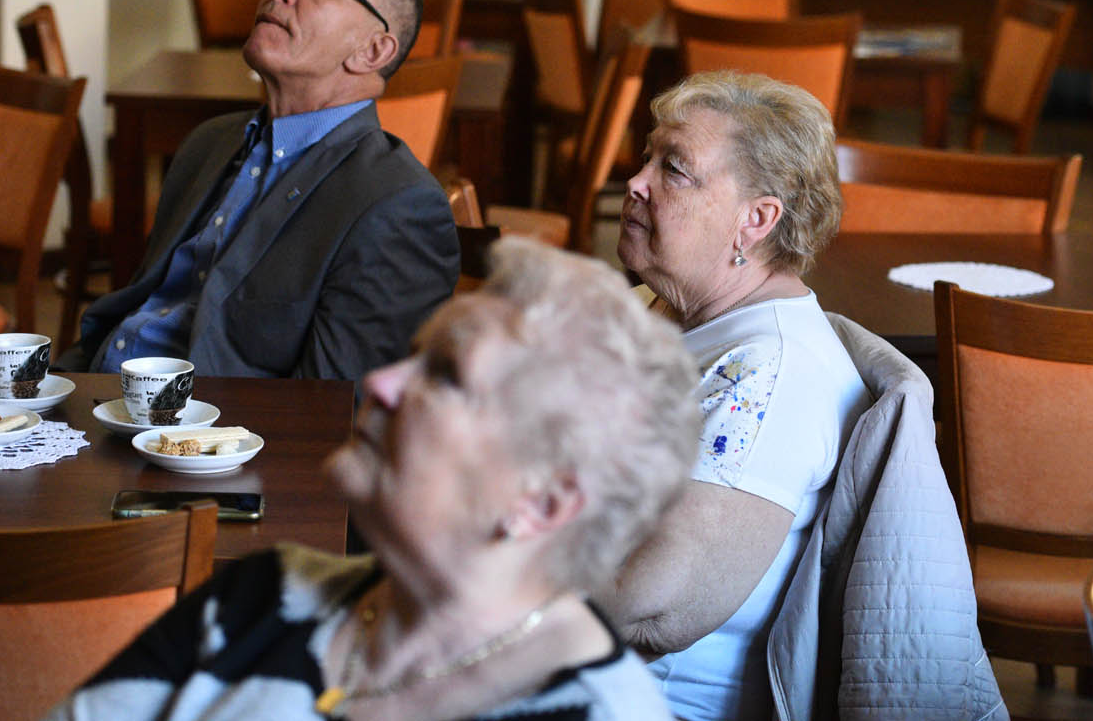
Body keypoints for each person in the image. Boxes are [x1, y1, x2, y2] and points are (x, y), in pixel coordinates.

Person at [44, 238, 700, 721]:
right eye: (411, 357)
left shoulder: (595, 712)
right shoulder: (264, 596)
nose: (382, 383)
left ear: (542, 500)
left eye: (444, 375)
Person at [57, 0, 459, 379]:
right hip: (96, 398)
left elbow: (334, 414)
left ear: (372, 52)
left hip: (200, 440)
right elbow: (139, 312)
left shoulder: (396, 204)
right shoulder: (209, 144)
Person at [604, 71, 871, 721]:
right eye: (648, 156)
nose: (636, 181)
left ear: (755, 220)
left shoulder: (765, 375)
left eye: (674, 169)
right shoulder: (672, 311)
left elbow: (655, 608)